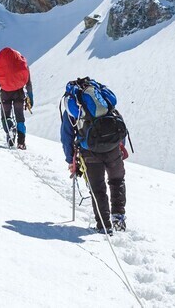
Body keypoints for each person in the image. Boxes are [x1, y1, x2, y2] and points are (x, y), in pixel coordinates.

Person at [60, 77, 129, 234]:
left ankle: (104, 226)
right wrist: (120, 146)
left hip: (89, 152)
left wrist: (70, 160)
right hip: (113, 148)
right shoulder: (104, 101)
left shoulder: (73, 109)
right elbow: (118, 121)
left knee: (98, 189)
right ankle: (118, 218)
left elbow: (67, 137)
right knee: (117, 181)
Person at [0, 47, 34, 150]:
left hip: (5, 94)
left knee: (5, 116)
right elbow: (28, 83)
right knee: (20, 118)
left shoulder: (4, 68)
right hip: (19, 93)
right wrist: (30, 97)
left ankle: (10, 128)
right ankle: (21, 143)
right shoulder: (22, 64)